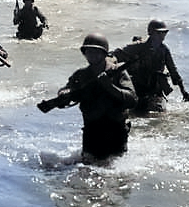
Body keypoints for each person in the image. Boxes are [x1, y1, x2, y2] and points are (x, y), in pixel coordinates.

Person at [58, 33, 137, 161]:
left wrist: (110, 87)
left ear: (104, 53)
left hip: (116, 131)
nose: (92, 56)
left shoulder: (118, 72)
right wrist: (64, 93)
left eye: (96, 52)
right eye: (89, 52)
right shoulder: (81, 75)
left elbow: (132, 99)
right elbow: (67, 91)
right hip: (92, 131)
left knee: (116, 170)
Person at [112, 19, 189, 113]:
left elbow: (173, 71)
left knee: (158, 113)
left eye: (164, 32)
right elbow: (116, 54)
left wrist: (183, 91)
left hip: (155, 90)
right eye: (159, 33)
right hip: (137, 86)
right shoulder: (138, 46)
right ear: (151, 33)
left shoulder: (164, 50)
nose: (162, 36)